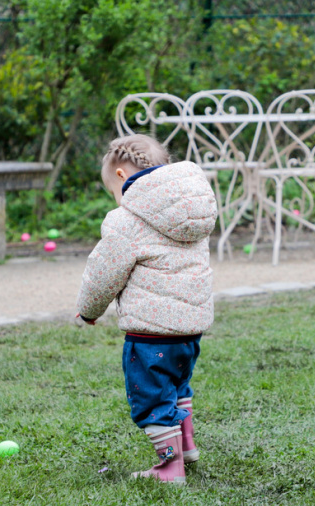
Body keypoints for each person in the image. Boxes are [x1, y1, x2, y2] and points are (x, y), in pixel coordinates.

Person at [76, 133, 217, 484]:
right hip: (190, 330)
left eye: (113, 189)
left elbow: (103, 274)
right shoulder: (193, 213)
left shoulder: (126, 221)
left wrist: (89, 310)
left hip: (150, 333)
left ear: (122, 176)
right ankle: (186, 448)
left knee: (151, 399)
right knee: (177, 387)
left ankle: (170, 468)